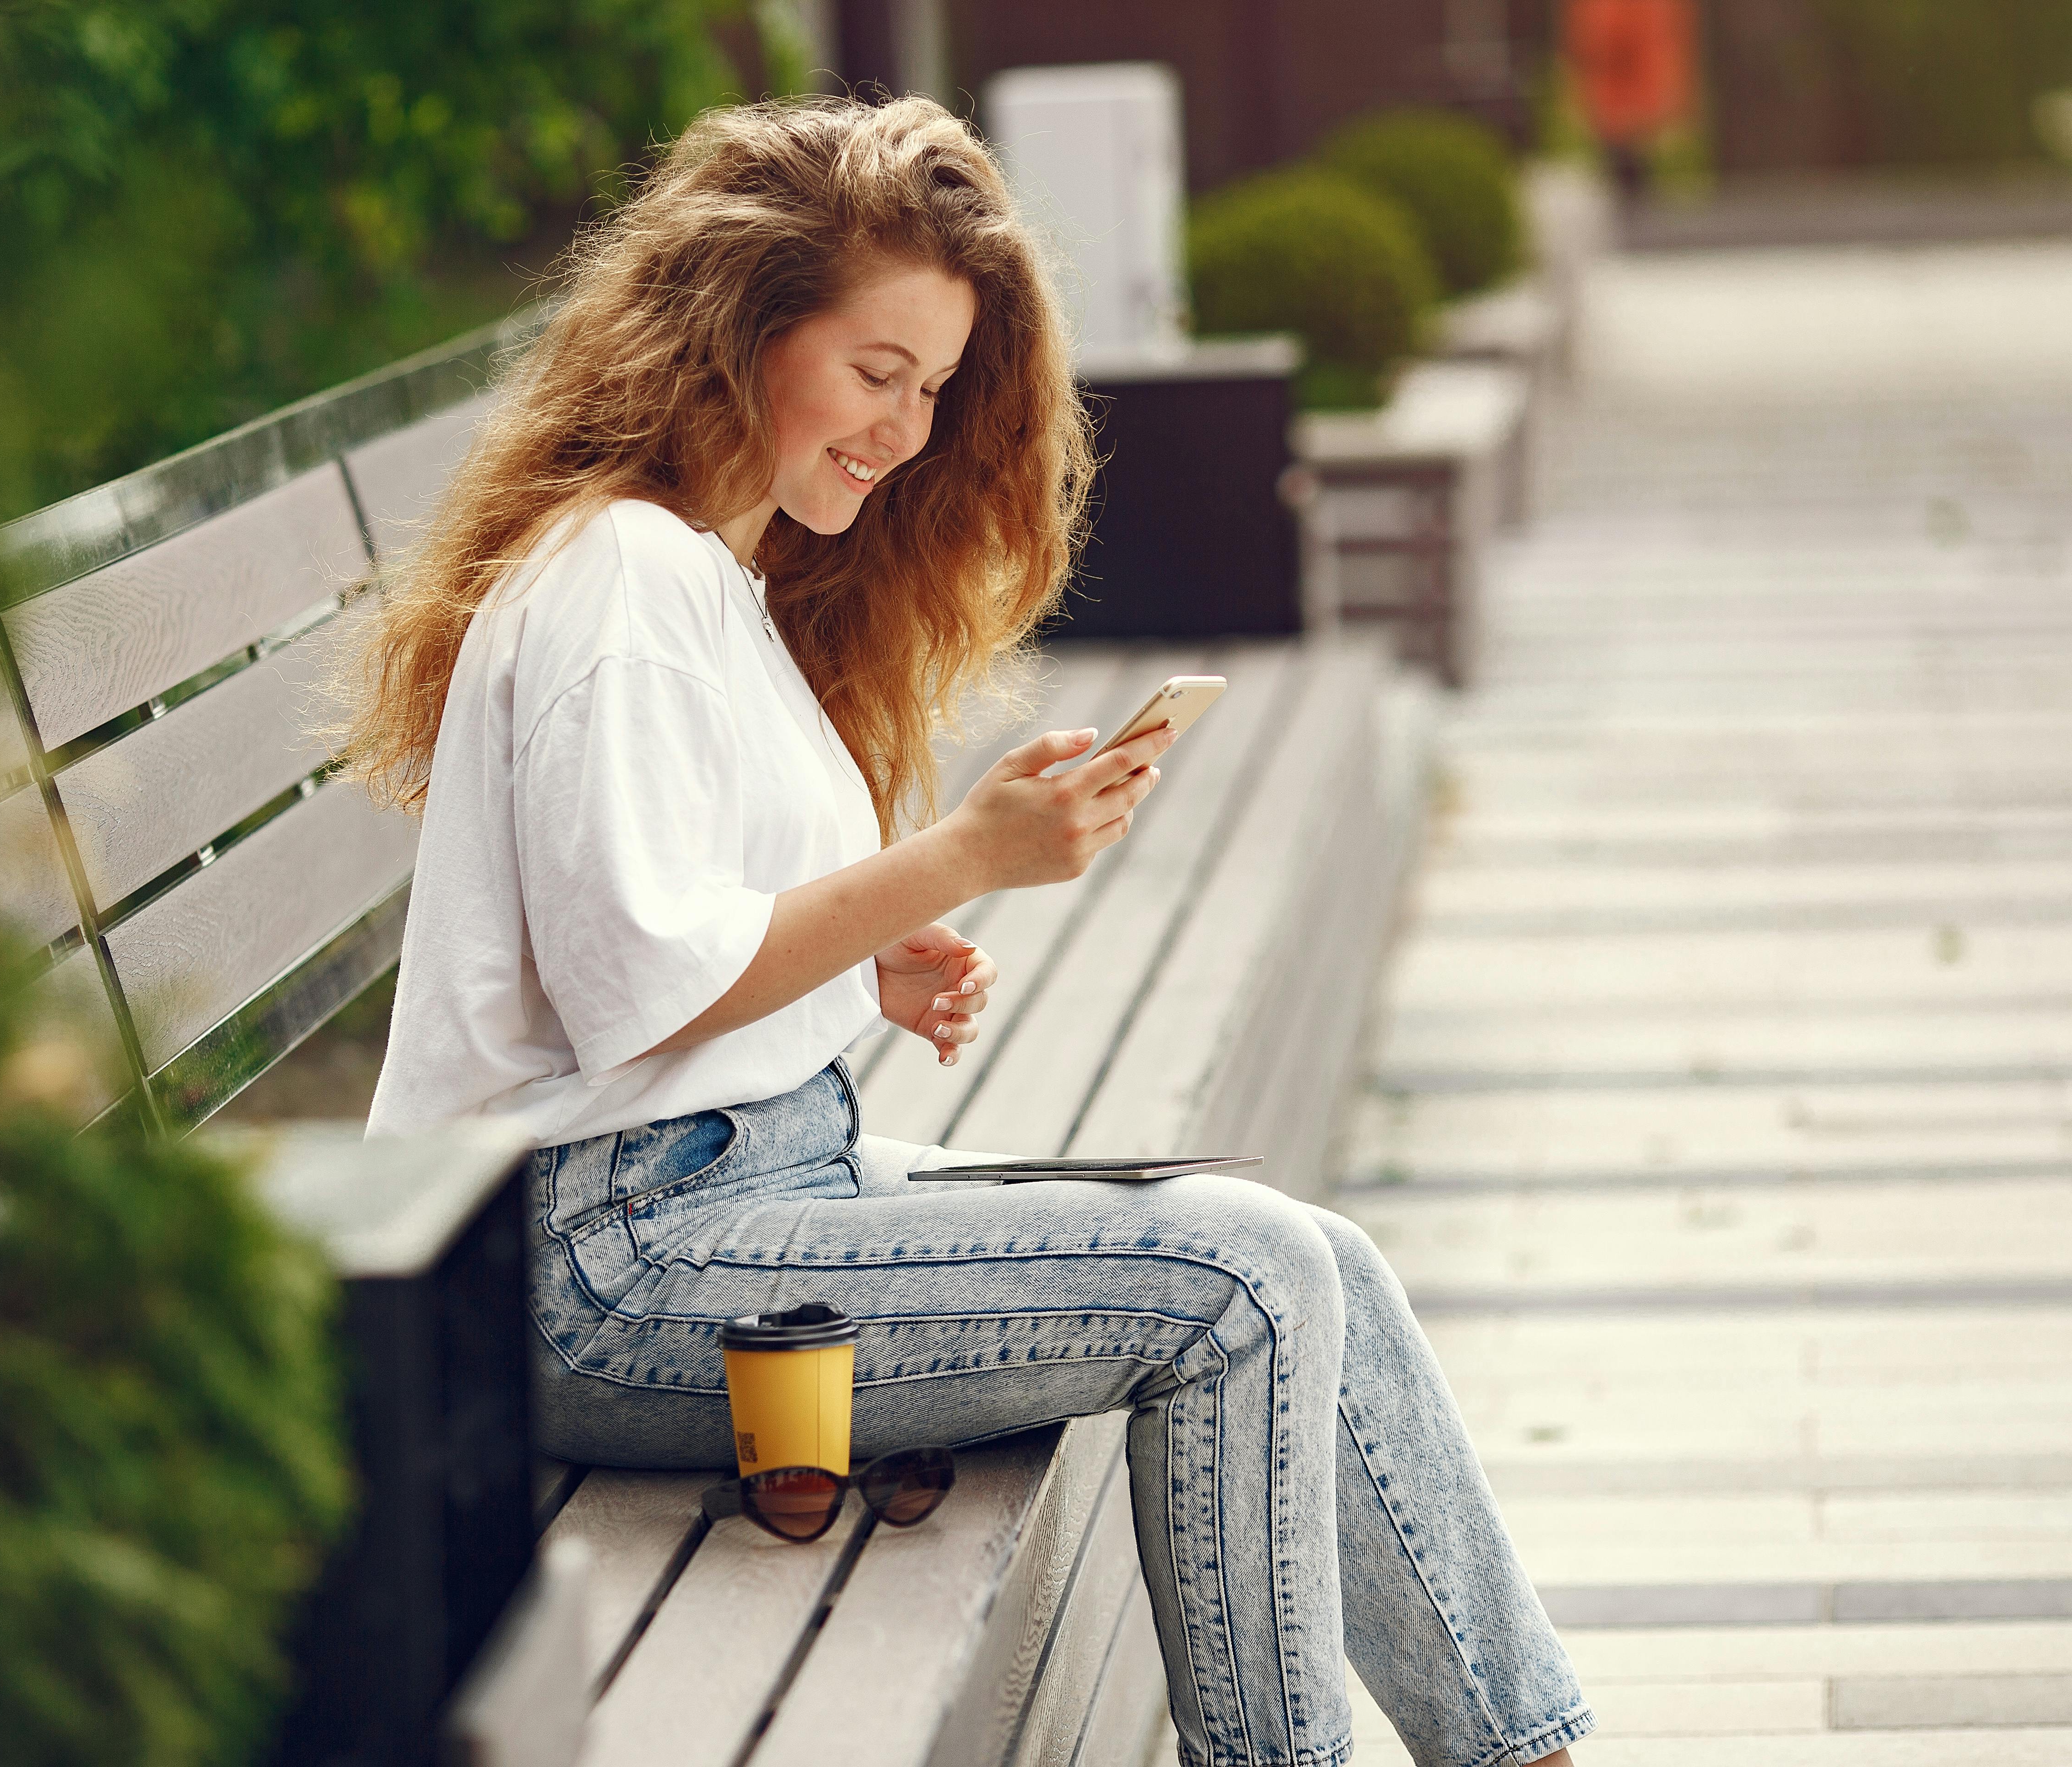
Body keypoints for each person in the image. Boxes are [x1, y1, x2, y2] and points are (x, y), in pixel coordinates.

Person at [341, 95, 1590, 1767]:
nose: (907, 431)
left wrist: (858, 958)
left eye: (932, 390)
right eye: (879, 373)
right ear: (738, 330)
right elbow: (636, 996)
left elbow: (652, 928)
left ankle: (1529, 1752)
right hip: (604, 1269)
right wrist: (954, 865)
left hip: (738, 1192)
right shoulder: (623, 586)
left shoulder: (705, 573)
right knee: (1245, 1278)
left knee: (1321, 1261)